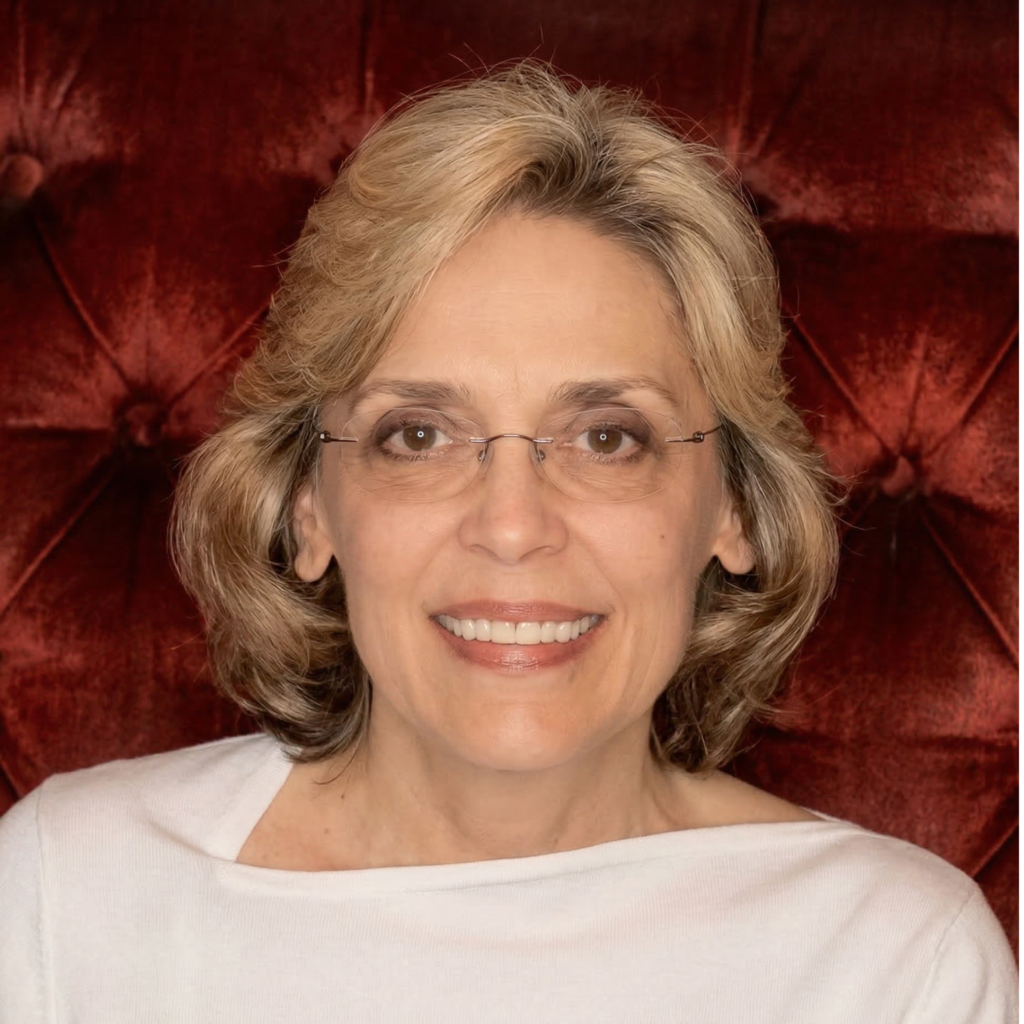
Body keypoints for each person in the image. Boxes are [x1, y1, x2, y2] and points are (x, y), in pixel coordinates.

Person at [0, 63, 1017, 1023]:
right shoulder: (66, 893)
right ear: (309, 505)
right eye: (419, 435)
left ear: (736, 507)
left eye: (607, 437)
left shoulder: (895, 964)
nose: (513, 524)